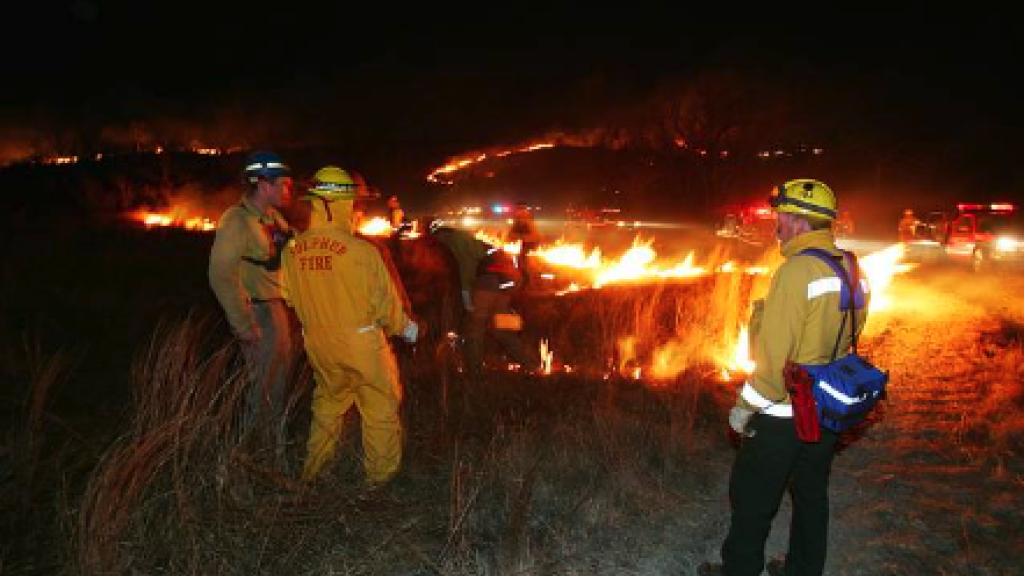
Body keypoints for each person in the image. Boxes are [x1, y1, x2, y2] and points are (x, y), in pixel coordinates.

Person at [702, 179, 869, 576]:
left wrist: (745, 410)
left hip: (784, 410)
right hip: (826, 406)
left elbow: (775, 358)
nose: (776, 223)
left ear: (797, 220)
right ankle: (803, 569)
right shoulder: (852, 266)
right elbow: (854, 330)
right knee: (811, 492)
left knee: (752, 496)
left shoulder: (795, 271)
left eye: (780, 216)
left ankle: (739, 570)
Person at [281, 166, 419, 486]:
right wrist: (409, 331)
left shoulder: (293, 251)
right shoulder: (362, 252)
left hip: (318, 344)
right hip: (363, 346)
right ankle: (379, 483)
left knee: (328, 406)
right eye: (354, 203)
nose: (358, 210)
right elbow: (387, 306)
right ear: (339, 204)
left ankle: (312, 474)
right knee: (380, 409)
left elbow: (288, 297)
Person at [208, 150, 297, 443]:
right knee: (265, 391)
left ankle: (270, 450)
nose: (287, 190)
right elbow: (220, 273)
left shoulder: (274, 219)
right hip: (258, 314)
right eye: (282, 184)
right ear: (263, 183)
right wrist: (243, 324)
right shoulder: (237, 220)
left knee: (278, 386)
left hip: (277, 311)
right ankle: (256, 456)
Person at [424, 217, 541, 375]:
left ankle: (474, 372)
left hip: (488, 283)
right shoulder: (464, 237)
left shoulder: (452, 241)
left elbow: (466, 267)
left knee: (474, 329)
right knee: (502, 328)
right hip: (506, 281)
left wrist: (466, 297)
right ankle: (532, 365)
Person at [507, 201, 542, 287]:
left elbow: (519, 226)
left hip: (529, 240)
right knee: (522, 258)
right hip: (530, 240)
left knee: (521, 259)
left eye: (519, 207)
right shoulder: (527, 214)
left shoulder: (522, 214)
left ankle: (526, 279)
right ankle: (528, 277)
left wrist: (511, 235)